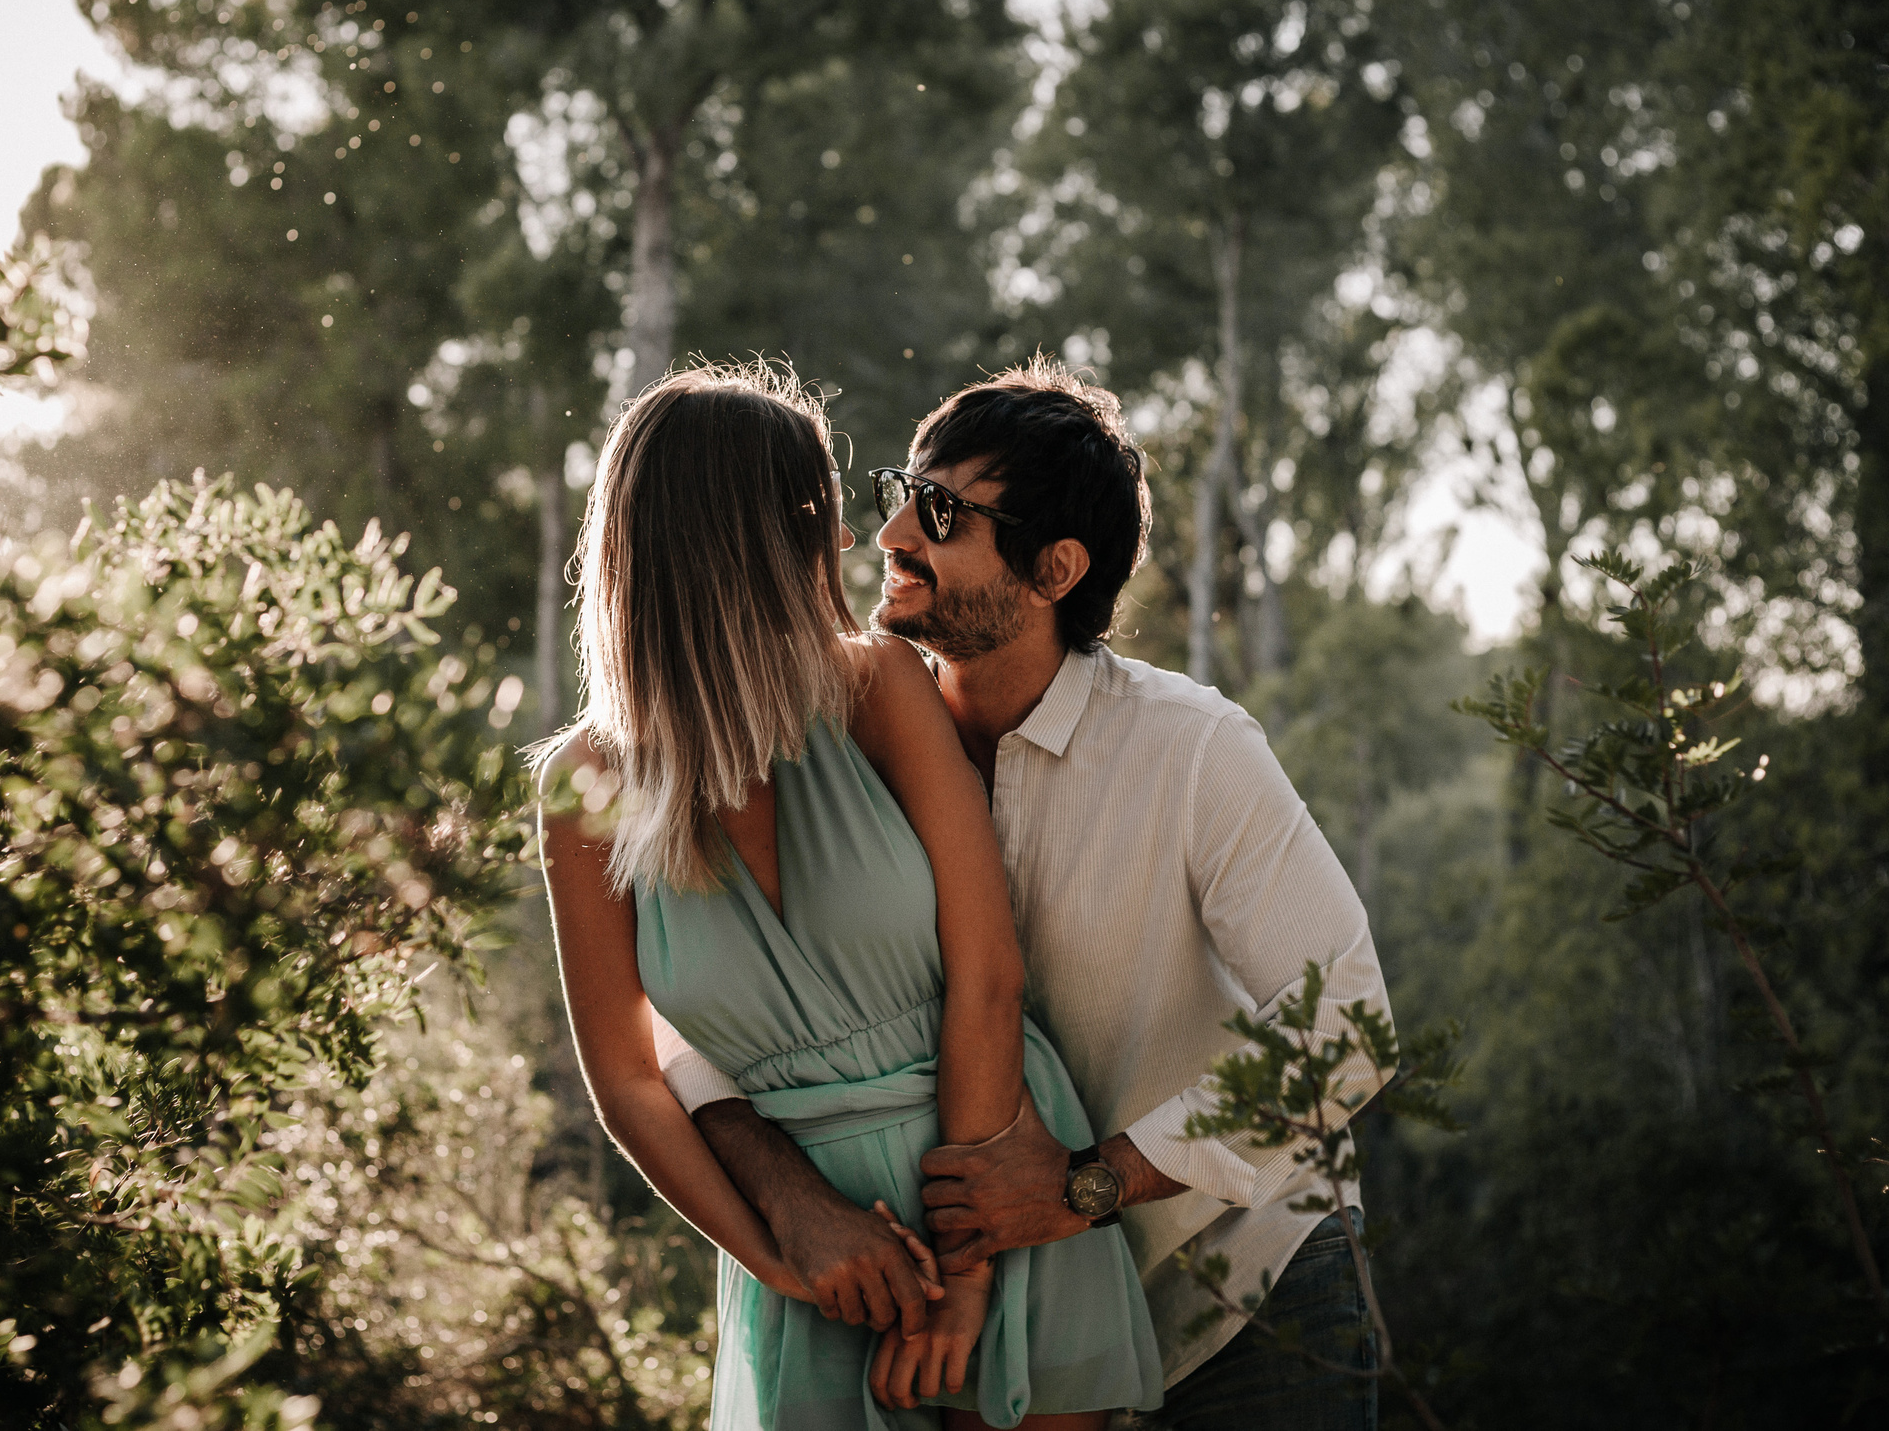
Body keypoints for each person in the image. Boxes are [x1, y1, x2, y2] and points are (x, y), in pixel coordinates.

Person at [654, 361, 1393, 1431]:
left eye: (942, 513)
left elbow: (1348, 1025)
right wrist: (785, 1192)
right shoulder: (842, 752)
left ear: (1054, 569)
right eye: (899, 493)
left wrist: (1088, 1184)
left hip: (1241, 1294)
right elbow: (700, 997)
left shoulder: (1194, 749)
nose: (891, 534)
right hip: (998, 1324)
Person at [534, 362, 1166, 1431]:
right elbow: (631, 1082)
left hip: (990, 1194)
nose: (847, 540)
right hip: (817, 1277)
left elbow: (987, 977)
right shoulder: (583, 787)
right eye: (818, 510)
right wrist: (781, 1262)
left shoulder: (876, 688)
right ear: (749, 536)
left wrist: (968, 1267)